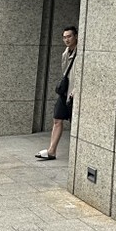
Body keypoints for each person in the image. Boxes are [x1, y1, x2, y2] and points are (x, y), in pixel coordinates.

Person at [36, 26, 78, 160]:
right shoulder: (65, 53)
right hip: (64, 93)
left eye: (69, 36)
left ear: (76, 36)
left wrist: (77, 89)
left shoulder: (81, 53)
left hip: (74, 93)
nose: (67, 39)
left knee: (76, 123)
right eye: (64, 37)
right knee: (57, 119)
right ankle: (51, 151)